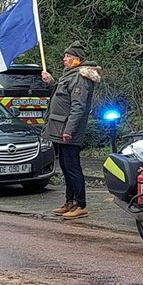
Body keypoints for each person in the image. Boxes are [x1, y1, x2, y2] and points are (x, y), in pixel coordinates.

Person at [40, 41, 102, 220]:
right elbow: (61, 96)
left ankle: (80, 204)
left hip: (67, 131)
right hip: (58, 128)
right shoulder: (69, 75)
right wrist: (51, 82)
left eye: (68, 57)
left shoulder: (80, 78)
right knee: (66, 168)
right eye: (65, 56)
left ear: (78, 60)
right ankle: (70, 201)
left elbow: (78, 107)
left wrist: (69, 130)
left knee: (73, 167)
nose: (64, 59)